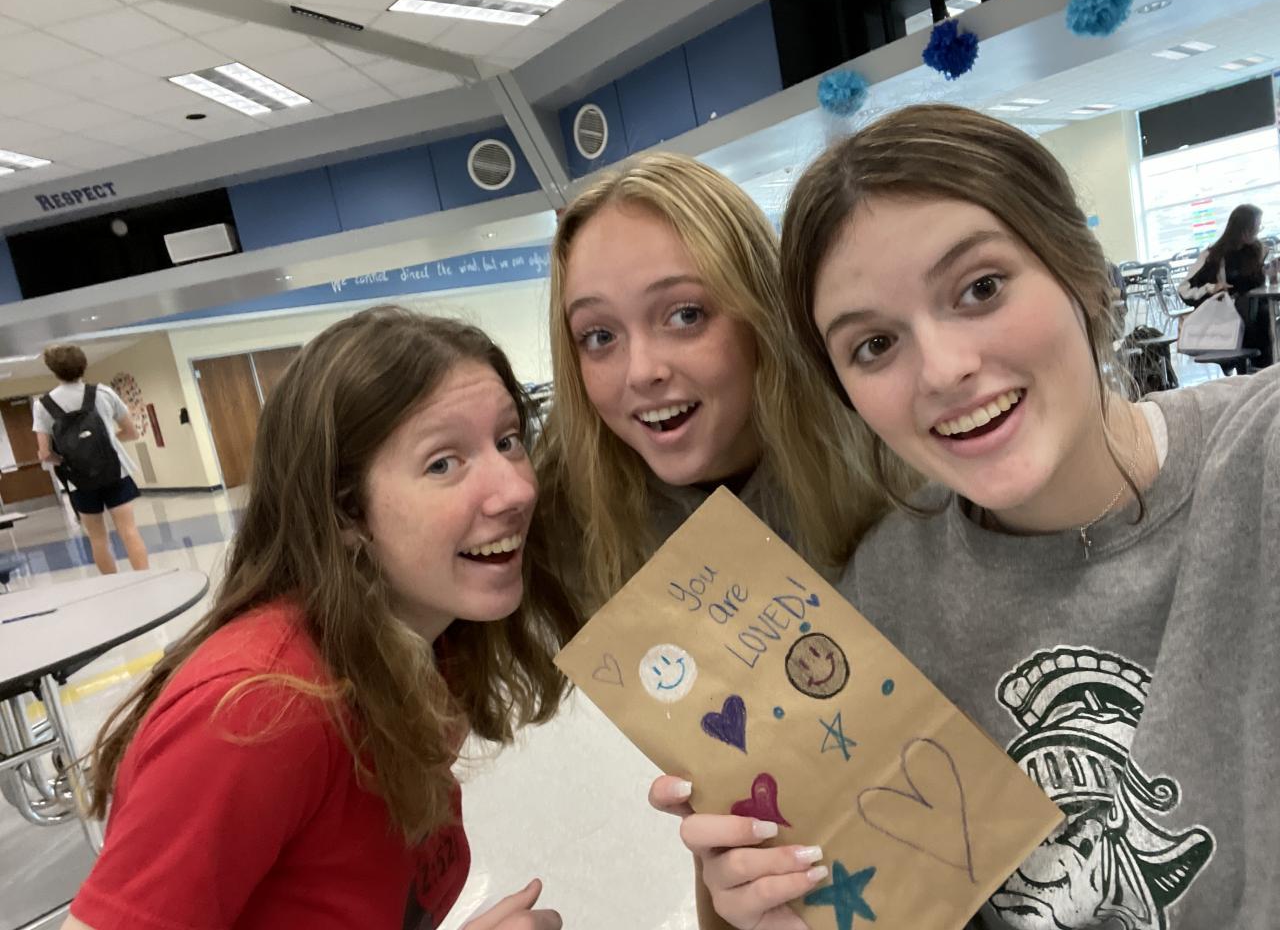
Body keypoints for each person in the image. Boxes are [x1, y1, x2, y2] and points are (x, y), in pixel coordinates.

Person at [653, 105, 1279, 929]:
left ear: (1082, 273)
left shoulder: (1259, 459)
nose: (944, 370)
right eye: (874, 345)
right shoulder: (881, 604)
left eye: (981, 289)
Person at [63, 308, 573, 930]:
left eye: (508, 441)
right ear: (345, 513)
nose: (517, 490)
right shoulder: (258, 713)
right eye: (443, 462)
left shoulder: (423, 645)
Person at [528, 152, 898, 623]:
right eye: (599, 336)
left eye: (686, 315)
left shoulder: (888, 458)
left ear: (762, 314)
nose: (641, 372)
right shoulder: (554, 522)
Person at [34, 344, 149, 575]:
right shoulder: (103, 393)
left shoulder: (43, 405)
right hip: (115, 472)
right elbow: (131, 432)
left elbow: (45, 454)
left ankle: (111, 583)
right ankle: (145, 578)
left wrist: (66, 460)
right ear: (83, 365)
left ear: (53, 371)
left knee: (98, 539)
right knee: (129, 531)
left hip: (79, 480)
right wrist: (109, 441)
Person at [1178, 203, 1270, 368]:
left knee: (1265, 317)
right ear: (1243, 229)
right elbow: (1184, 290)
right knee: (1262, 320)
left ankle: (1262, 370)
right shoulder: (1213, 256)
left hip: (1255, 316)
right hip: (1231, 320)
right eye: (1256, 227)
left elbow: (1258, 283)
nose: (1258, 231)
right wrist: (1211, 288)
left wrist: (1270, 274)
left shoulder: (1257, 251)